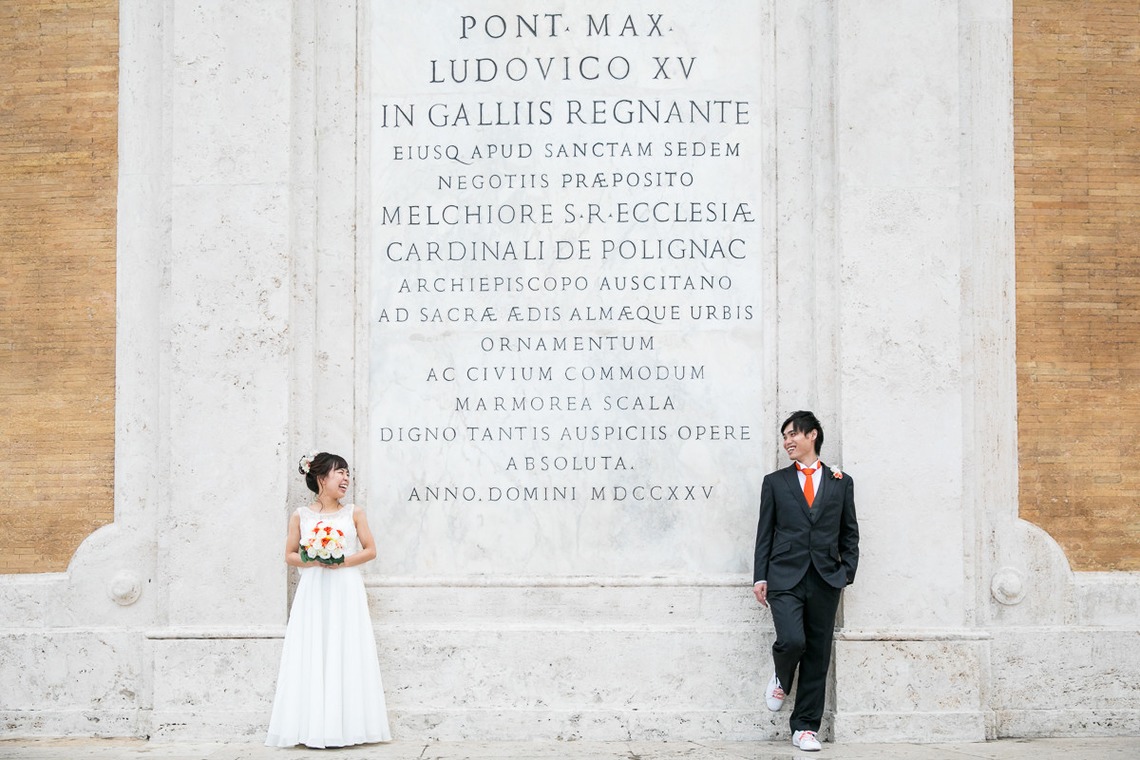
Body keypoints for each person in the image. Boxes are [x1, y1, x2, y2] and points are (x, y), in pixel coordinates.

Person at [265, 451, 392, 748]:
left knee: (346, 648)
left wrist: (340, 561)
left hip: (346, 587)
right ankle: (312, 727)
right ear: (321, 477)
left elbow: (370, 549)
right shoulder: (301, 515)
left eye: (348, 473)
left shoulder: (354, 513)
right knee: (314, 648)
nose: (346, 478)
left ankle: (348, 728)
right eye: (340, 472)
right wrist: (314, 560)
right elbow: (290, 555)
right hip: (313, 588)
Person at [753, 411, 859, 752]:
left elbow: (850, 533)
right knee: (792, 639)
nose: (787, 441)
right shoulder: (775, 482)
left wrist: (846, 574)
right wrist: (760, 576)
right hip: (784, 575)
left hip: (826, 578)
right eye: (784, 436)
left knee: (818, 652)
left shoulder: (842, 482)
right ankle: (782, 676)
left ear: (812, 435)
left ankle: (804, 728)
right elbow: (764, 533)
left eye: (793, 434)